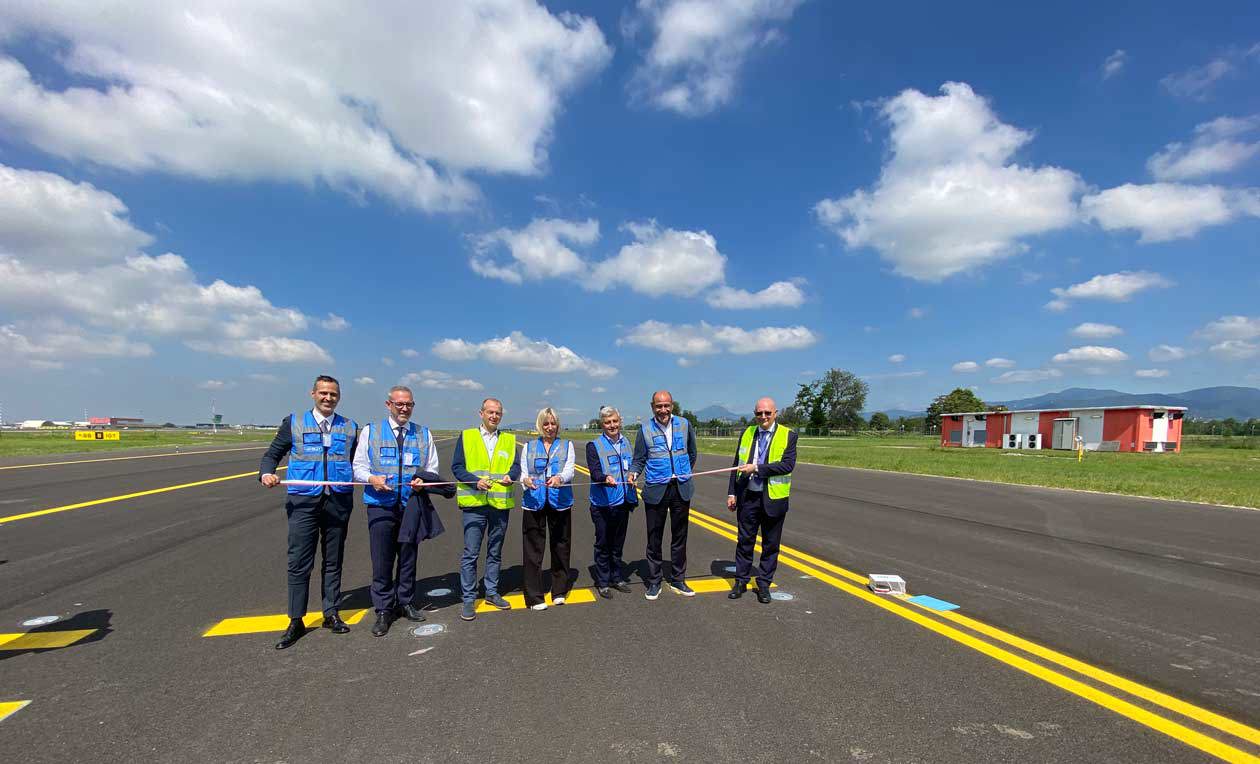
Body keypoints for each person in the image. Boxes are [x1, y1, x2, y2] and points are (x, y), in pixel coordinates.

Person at [259, 375, 360, 650]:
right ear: (313, 394)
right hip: (303, 502)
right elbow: (272, 454)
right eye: (323, 393)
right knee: (300, 562)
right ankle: (296, 620)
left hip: (337, 502)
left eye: (333, 394)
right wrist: (266, 473)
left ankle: (331, 613)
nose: (328, 398)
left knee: (333, 560)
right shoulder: (295, 423)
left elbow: (356, 463)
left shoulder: (350, 427)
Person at [352, 386, 453, 637]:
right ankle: (384, 609)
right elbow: (358, 467)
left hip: (411, 504)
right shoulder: (371, 431)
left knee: (408, 556)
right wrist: (372, 478)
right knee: (382, 559)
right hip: (380, 505)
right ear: (389, 404)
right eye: (399, 404)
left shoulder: (423, 433)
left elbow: (431, 467)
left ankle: (406, 600)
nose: (404, 408)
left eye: (408, 404)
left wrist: (424, 482)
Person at [450, 397, 521, 621]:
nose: (494, 416)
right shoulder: (468, 436)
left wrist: (513, 476)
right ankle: (469, 598)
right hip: (475, 504)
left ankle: (491, 592)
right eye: (490, 412)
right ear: (481, 413)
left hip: (499, 505)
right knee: (471, 553)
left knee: (494, 551)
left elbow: (516, 466)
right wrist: (475, 482)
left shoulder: (509, 440)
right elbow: (457, 467)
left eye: (498, 413)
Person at [726, 397, 797, 604]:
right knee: (744, 541)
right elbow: (737, 464)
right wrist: (732, 492)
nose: (763, 417)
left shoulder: (788, 435)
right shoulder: (748, 433)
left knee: (770, 544)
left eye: (767, 413)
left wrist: (757, 468)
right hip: (748, 496)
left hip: (773, 498)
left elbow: (787, 465)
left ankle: (764, 584)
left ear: (775, 413)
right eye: (759, 413)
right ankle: (741, 581)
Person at [628, 390, 698, 600]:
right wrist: (633, 473)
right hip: (656, 490)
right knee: (654, 538)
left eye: (666, 405)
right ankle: (655, 581)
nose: (663, 410)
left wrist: (681, 471)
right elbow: (639, 458)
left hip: (681, 488)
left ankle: (678, 578)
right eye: (659, 406)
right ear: (652, 407)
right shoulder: (645, 429)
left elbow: (692, 453)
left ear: (672, 406)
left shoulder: (685, 425)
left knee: (679, 537)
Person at [520, 407, 576, 610]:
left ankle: (559, 591)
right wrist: (525, 480)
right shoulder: (529, 446)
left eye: (553, 423)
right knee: (533, 550)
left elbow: (569, 469)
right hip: (533, 503)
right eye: (546, 424)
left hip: (559, 502)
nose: (550, 427)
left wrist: (560, 478)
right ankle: (534, 596)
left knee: (561, 546)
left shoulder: (567, 445)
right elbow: (523, 473)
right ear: (540, 425)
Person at [586, 405, 637, 598]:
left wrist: (633, 474)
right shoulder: (594, 445)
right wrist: (604, 478)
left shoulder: (626, 442)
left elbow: (632, 465)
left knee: (617, 543)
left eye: (615, 421)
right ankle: (603, 581)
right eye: (608, 422)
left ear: (620, 421)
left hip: (623, 501)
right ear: (602, 424)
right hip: (603, 504)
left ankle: (617, 577)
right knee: (603, 543)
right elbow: (594, 471)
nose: (612, 425)